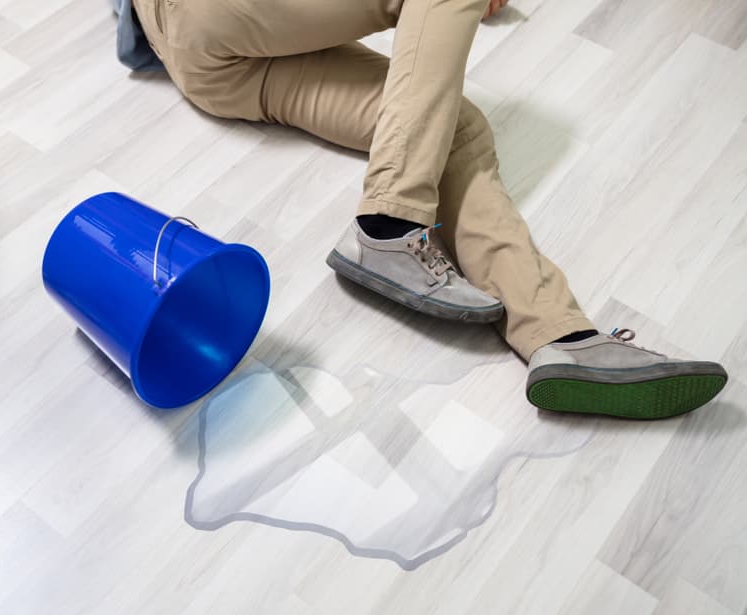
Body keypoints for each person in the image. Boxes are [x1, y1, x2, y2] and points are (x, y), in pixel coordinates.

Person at [112, 0, 728, 419]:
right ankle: (390, 225)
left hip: (213, 69)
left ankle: (557, 336)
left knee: (450, 126)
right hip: (197, 13)